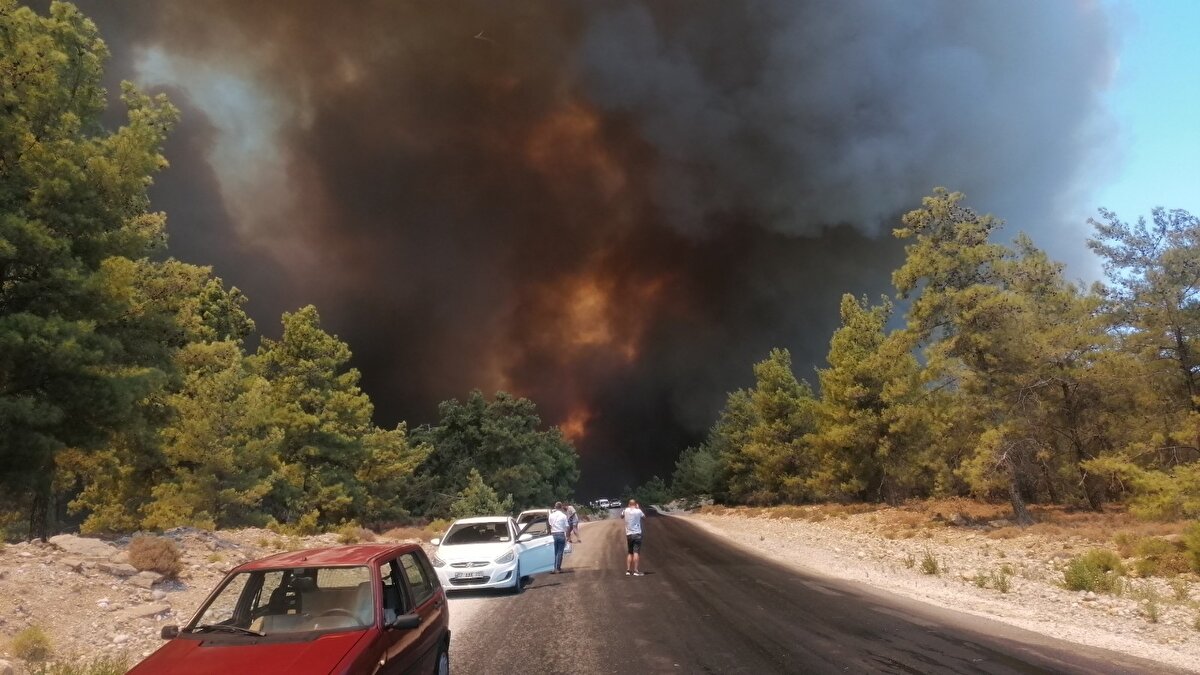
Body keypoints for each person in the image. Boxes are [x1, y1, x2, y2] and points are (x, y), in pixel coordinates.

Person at [621, 498, 645, 576]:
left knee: (630, 552)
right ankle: (635, 570)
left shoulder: (625, 510)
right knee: (636, 552)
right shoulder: (638, 511)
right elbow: (644, 517)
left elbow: (621, 516)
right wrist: (638, 508)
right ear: (635, 504)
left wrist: (627, 509)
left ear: (629, 504)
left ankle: (628, 570)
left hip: (629, 534)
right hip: (637, 533)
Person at [548, 501, 570, 573]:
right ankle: (558, 568)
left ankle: (553, 568)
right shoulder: (563, 516)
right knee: (560, 552)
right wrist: (567, 536)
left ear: (555, 507)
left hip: (553, 535)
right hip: (561, 534)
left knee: (554, 552)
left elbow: (549, 525)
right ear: (561, 507)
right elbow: (567, 527)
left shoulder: (551, 515)